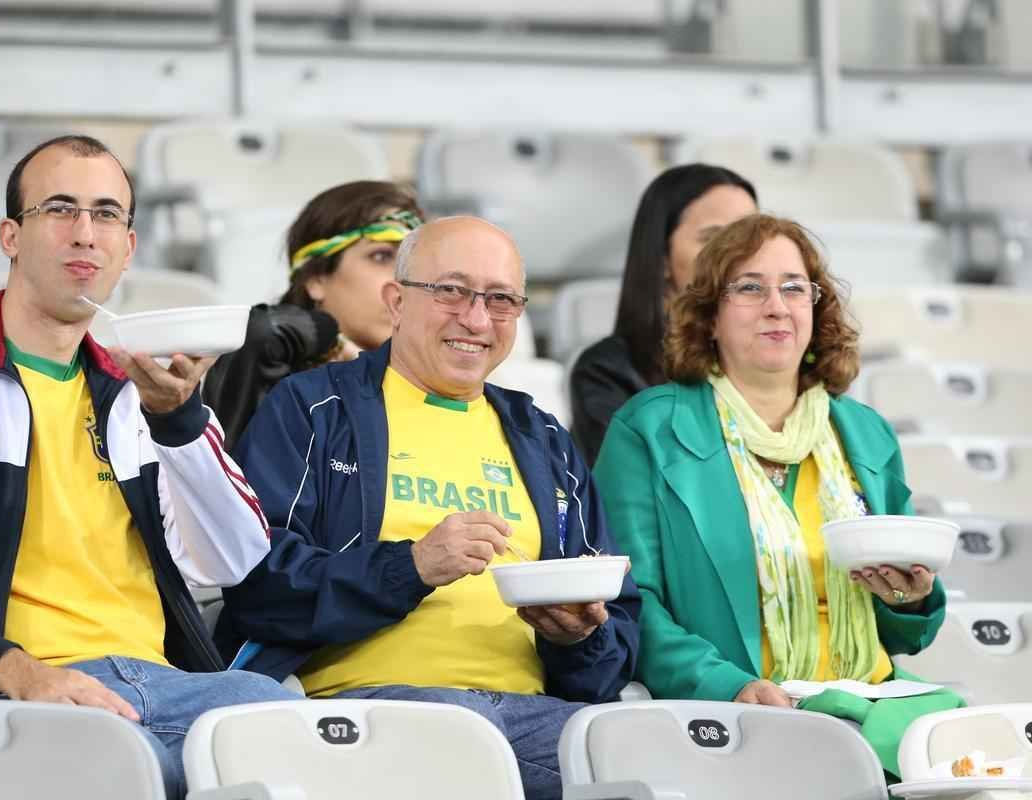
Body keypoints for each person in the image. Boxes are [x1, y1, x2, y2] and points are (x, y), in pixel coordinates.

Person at [0, 135, 298, 799]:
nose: (86, 233)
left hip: (165, 685)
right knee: (143, 773)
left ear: (128, 247)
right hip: (8, 695)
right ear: (10, 237)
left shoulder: (152, 392)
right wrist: (12, 668)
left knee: (297, 747)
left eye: (107, 214)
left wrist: (181, 425)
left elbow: (231, 560)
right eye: (59, 209)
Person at [215, 216, 641, 800]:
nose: (475, 318)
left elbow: (614, 643)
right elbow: (256, 582)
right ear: (396, 301)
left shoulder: (543, 437)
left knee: (667, 766)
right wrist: (411, 567)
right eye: (451, 291)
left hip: (536, 717)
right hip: (377, 712)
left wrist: (577, 637)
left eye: (500, 300)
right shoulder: (315, 408)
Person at [593, 213, 958, 778]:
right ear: (709, 316)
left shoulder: (865, 433)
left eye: (794, 287)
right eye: (749, 287)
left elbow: (907, 629)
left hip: (869, 703)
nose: (776, 305)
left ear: (817, 309)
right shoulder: (650, 428)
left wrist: (906, 599)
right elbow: (627, 598)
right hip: (734, 719)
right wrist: (726, 684)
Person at [202, 181, 425, 445]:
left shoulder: (437, 382)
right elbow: (265, 329)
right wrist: (329, 339)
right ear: (316, 277)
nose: (400, 283)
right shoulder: (268, 364)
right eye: (381, 256)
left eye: (411, 264)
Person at [570, 164, 757, 465]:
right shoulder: (609, 372)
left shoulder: (783, 358)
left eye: (752, 241)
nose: (740, 257)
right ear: (663, 259)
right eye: (713, 240)